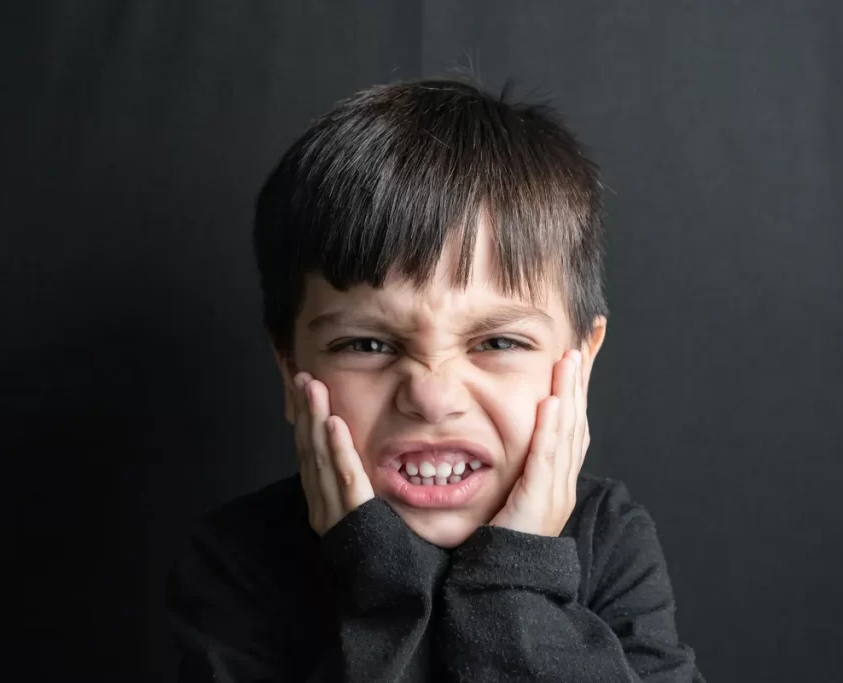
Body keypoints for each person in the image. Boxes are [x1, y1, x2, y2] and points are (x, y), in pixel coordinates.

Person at [167, 78, 705, 682]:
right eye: (367, 345)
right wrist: (377, 582)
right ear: (292, 368)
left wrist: (514, 583)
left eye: (498, 342)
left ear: (579, 364)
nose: (431, 396)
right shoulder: (238, 558)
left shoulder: (609, 538)